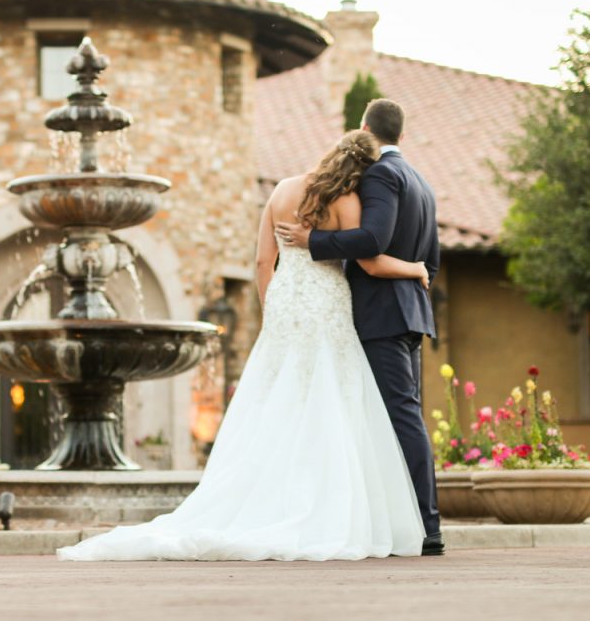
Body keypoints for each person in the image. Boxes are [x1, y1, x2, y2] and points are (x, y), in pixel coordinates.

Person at [57, 128, 427, 562]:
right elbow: (368, 258)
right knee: (332, 399)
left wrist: (272, 312)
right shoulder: (347, 199)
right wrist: (415, 268)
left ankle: (261, 499)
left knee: (278, 401)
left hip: (286, 302)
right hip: (326, 302)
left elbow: (260, 262)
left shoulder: (282, 191)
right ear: (361, 169)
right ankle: (321, 503)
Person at [276, 98, 443, 556]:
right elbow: (432, 261)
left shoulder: (381, 175)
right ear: (402, 136)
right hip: (410, 311)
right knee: (401, 417)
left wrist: (314, 240)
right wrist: (415, 275)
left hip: (383, 314)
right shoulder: (422, 182)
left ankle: (426, 528)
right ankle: (409, 522)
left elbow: (372, 242)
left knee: (401, 418)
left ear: (364, 127)